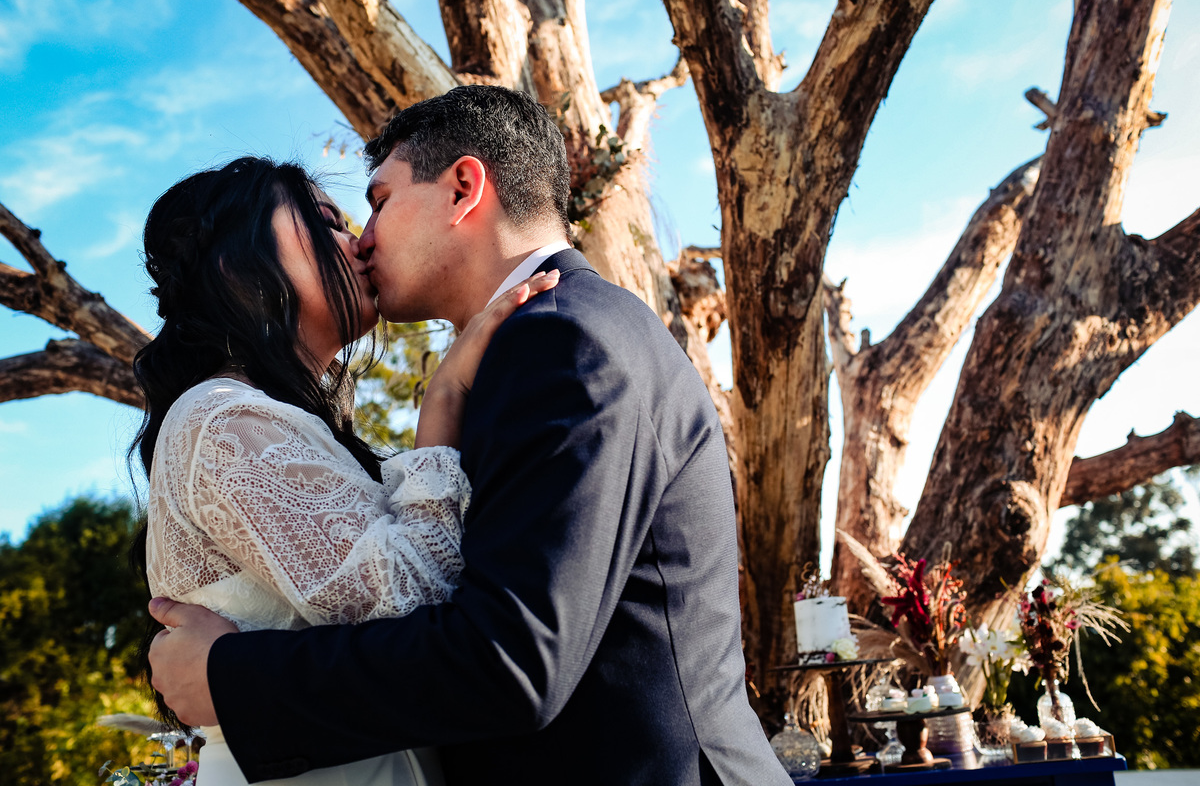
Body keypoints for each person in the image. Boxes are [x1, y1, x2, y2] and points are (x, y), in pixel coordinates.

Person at [149, 86, 792, 785]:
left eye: (379, 202)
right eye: (333, 220)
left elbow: (508, 658)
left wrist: (232, 678)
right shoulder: (535, 344)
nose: (362, 239)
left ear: (462, 188)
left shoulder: (561, 339)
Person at [132, 155, 558, 785]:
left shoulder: (267, 423)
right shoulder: (223, 422)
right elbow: (417, 604)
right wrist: (440, 404)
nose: (358, 240)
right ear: (235, 264)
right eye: (324, 220)